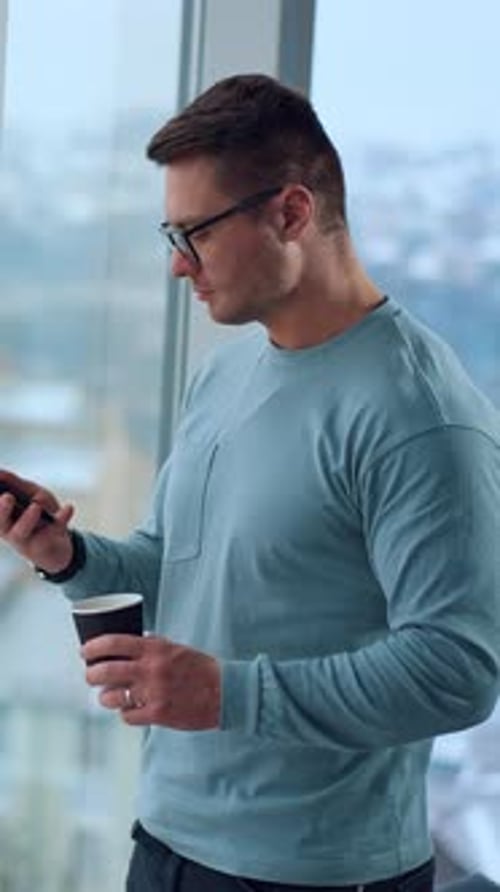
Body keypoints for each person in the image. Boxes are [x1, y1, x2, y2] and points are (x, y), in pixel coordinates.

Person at [1, 73, 499, 892]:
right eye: (170, 234)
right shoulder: (225, 375)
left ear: (292, 214)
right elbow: (177, 569)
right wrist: (70, 557)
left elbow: (456, 669)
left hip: (316, 874)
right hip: (164, 842)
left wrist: (229, 692)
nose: (176, 267)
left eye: (194, 233)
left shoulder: (422, 417)